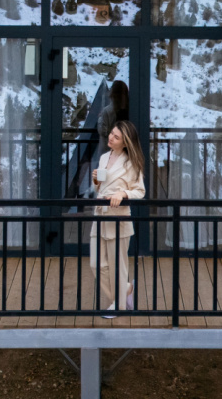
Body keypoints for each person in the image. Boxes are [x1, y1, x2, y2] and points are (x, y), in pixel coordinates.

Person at [89, 120, 145, 316]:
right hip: (100, 216)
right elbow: (100, 188)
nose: (111, 138)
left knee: (117, 265)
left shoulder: (131, 163)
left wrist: (122, 194)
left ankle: (119, 305)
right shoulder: (104, 157)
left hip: (118, 218)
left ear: (125, 142)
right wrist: (96, 179)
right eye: (111, 134)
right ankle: (126, 290)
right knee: (96, 264)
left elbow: (139, 191)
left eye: (116, 137)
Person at [95, 80, 130, 153]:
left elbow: (102, 130)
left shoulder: (107, 111)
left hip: (109, 151)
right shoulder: (130, 111)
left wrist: (100, 119)